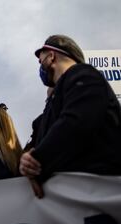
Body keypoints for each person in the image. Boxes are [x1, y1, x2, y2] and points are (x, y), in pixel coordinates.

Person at [19, 34, 121, 198]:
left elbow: (76, 123)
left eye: (41, 60)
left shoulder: (84, 75)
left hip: (98, 195)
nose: (40, 66)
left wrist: (37, 161)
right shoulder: (54, 101)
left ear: (51, 56)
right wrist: (27, 161)